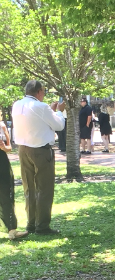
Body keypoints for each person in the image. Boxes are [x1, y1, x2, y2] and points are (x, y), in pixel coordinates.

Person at [12, 80, 66, 235]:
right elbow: (59, 125)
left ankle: (31, 223)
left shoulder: (17, 105)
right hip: (40, 150)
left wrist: (50, 111)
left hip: (23, 149)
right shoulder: (41, 107)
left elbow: (35, 120)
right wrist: (59, 112)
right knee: (44, 188)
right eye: (43, 91)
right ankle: (42, 226)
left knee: (29, 188)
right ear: (39, 91)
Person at [0, 118, 28, 240]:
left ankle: (12, 230)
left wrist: (3, 147)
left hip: (2, 163)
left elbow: (9, 148)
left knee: (7, 194)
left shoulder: (2, 126)